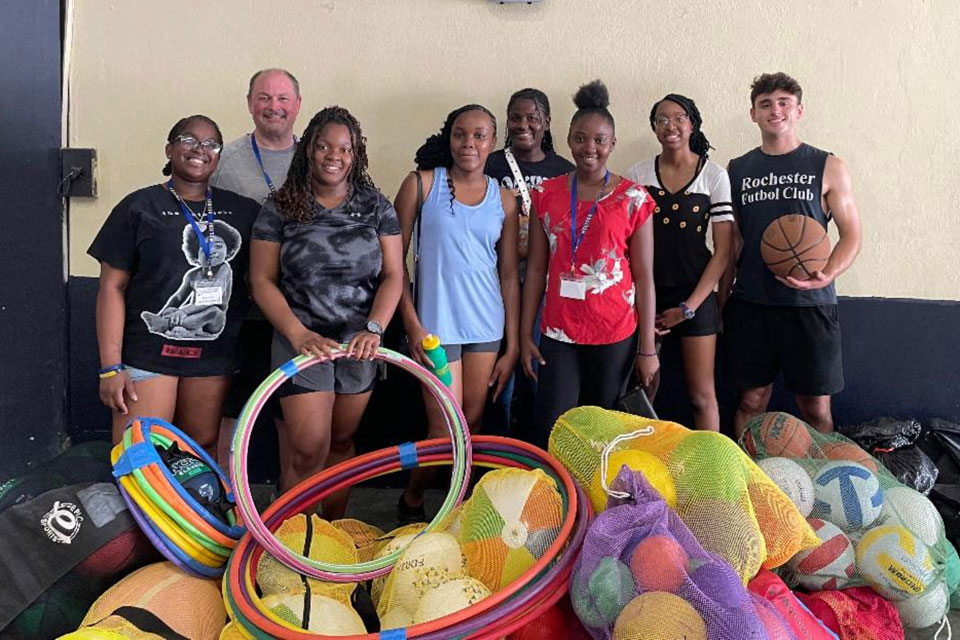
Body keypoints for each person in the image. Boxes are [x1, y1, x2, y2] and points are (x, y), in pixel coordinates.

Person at [249, 106, 403, 518]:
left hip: (359, 344)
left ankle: (332, 540)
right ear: (308, 151)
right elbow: (261, 280)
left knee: (340, 444)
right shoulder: (281, 206)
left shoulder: (376, 207)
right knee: (308, 448)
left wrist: (374, 328)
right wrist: (297, 334)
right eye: (323, 146)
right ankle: (293, 539)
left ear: (356, 154)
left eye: (344, 148)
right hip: (301, 339)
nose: (334, 156)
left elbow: (393, 276)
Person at [89, 115, 260, 455]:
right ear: (169, 149)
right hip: (149, 356)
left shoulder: (244, 211)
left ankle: (194, 512)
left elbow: (265, 277)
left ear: (219, 156)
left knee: (199, 452)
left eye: (211, 143)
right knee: (140, 453)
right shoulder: (139, 206)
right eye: (188, 140)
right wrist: (110, 368)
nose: (199, 149)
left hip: (213, 356)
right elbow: (111, 288)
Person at [394, 104, 520, 522]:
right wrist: (410, 323)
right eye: (461, 134)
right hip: (436, 328)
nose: (469, 143)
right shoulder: (421, 185)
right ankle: (413, 497)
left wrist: (513, 344)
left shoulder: (504, 200)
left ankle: (457, 513)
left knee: (473, 423)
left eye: (479, 135)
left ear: (492, 142)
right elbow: (393, 266)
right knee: (443, 431)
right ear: (449, 138)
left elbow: (507, 274)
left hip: (486, 325)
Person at [521, 80, 658, 449]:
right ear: (568, 139)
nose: (590, 148)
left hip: (615, 332)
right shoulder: (546, 195)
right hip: (559, 332)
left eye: (599, 140)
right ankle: (558, 502)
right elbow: (535, 269)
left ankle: (603, 505)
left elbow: (645, 278)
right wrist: (523, 335)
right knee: (553, 424)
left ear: (612, 144)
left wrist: (648, 350)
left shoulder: (633, 198)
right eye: (581, 138)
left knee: (606, 429)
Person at [723, 72, 862, 436]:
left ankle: (823, 487)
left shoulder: (827, 165)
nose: (775, 110)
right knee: (751, 402)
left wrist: (828, 272)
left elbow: (851, 235)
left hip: (810, 305)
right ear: (753, 114)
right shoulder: (737, 170)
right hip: (752, 303)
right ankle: (748, 484)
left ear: (799, 110)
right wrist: (723, 297)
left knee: (815, 408)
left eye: (784, 102)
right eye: (765, 104)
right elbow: (734, 241)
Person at [211, 68, 302, 473]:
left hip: (300, 310)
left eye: (283, 98)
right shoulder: (224, 160)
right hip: (238, 309)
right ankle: (224, 499)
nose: (273, 106)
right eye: (264, 97)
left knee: (290, 411)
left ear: (298, 106)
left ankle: (291, 508)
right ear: (249, 104)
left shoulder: (315, 158)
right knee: (232, 407)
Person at [625, 94, 733, 431]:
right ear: (654, 127)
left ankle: (712, 475)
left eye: (679, 118)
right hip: (646, 295)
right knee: (642, 392)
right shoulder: (637, 173)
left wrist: (688, 307)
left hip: (696, 298)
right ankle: (638, 470)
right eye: (661, 119)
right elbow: (626, 242)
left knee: (702, 396)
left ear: (693, 124)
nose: (670, 125)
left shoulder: (714, 176)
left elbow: (724, 251)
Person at [484, 88, 575, 437]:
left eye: (533, 118)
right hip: (495, 286)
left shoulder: (564, 170)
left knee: (537, 372)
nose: (524, 125)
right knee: (499, 379)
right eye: (516, 117)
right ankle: (493, 462)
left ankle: (537, 460)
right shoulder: (490, 163)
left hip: (545, 290)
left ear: (547, 122)